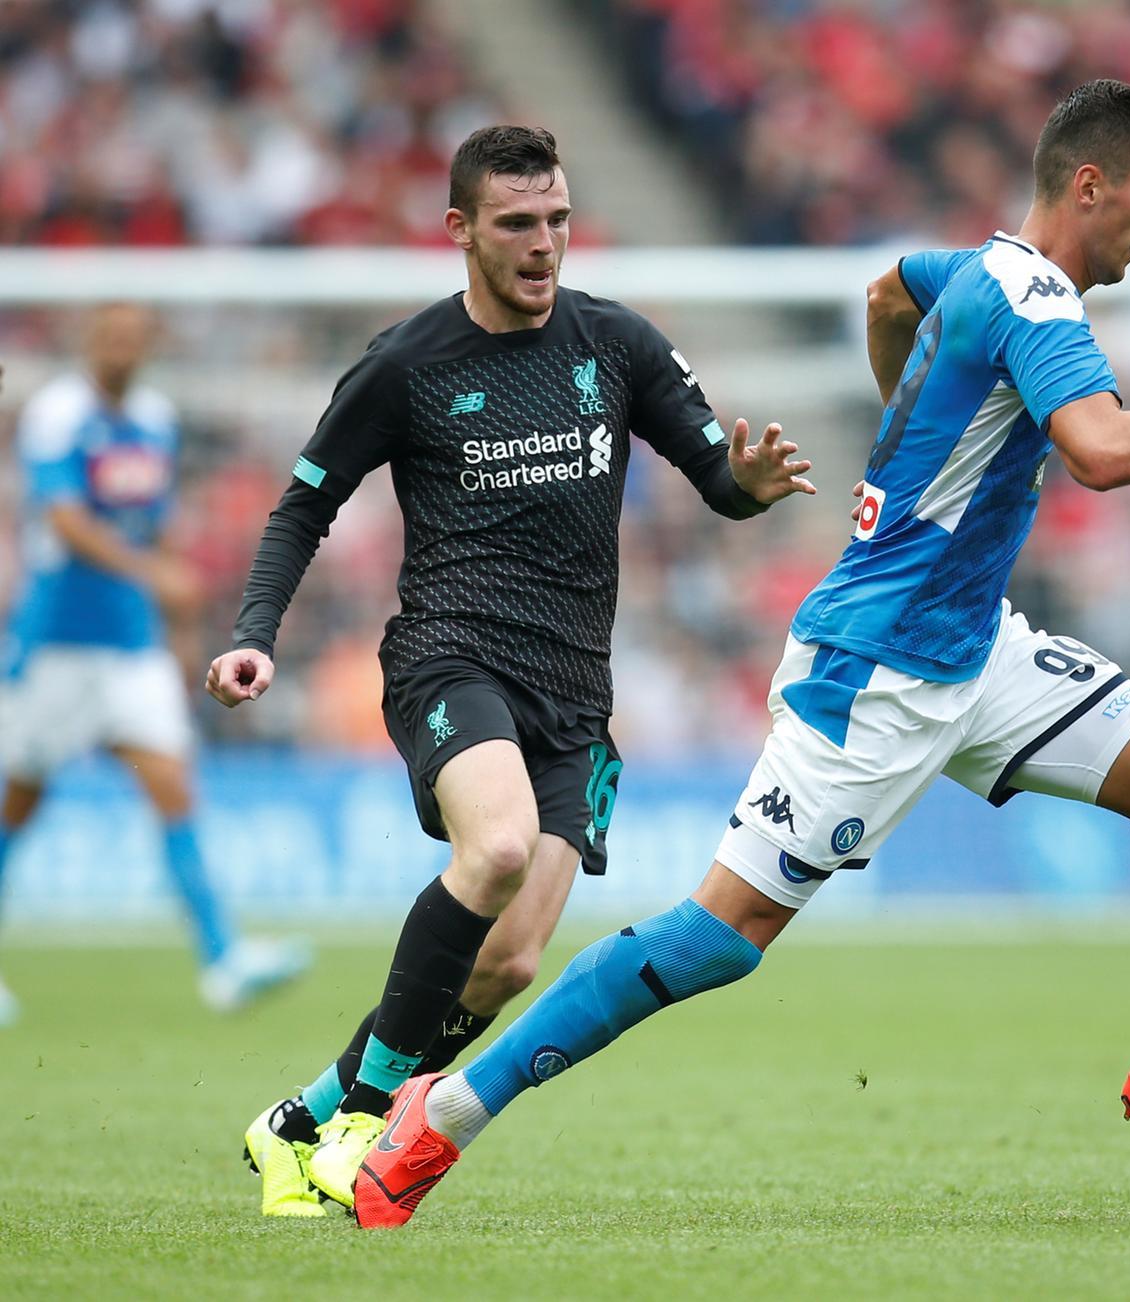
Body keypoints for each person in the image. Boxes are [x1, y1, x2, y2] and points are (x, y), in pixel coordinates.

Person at [350, 78, 1130, 1229]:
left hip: (976, 650)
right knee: (718, 940)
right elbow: (1099, 453)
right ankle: (442, 1114)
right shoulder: (1037, 299)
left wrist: (909, 433)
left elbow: (884, 290)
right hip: (875, 673)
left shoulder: (977, 269)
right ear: (1089, 184)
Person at [205, 125, 815, 1218]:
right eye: (519, 225)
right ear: (462, 232)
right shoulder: (406, 365)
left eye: (559, 222)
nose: (545, 245)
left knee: (509, 965)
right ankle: (359, 1128)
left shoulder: (615, 344)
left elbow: (716, 479)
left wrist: (751, 481)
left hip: (574, 694)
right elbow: (306, 502)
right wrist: (259, 629)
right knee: (489, 850)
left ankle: (300, 1116)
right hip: (451, 657)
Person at [0, 305, 309, 1029]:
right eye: (110, 337)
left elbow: (159, 521)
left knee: (172, 780)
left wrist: (176, 620)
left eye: (135, 339)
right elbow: (66, 521)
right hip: (57, 643)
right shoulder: (58, 414)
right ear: (89, 342)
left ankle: (222, 958)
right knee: (20, 799)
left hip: (130, 643)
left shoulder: (154, 419)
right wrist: (154, 574)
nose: (122, 350)